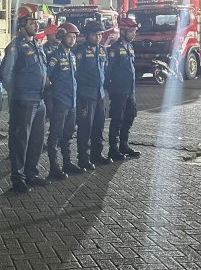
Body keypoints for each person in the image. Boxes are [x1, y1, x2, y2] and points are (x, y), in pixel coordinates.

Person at [0, 5, 49, 193]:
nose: (36, 25)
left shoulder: (36, 44)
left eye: (37, 22)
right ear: (22, 23)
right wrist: (16, 96)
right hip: (24, 100)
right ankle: (18, 178)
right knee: (21, 141)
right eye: (31, 22)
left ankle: (31, 173)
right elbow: (5, 74)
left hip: (39, 100)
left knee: (37, 139)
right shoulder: (15, 46)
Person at [44, 22, 85, 180]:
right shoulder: (55, 56)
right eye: (69, 36)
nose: (73, 39)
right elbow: (47, 78)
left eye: (75, 37)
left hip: (72, 101)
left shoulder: (72, 56)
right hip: (60, 101)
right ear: (62, 37)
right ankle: (54, 168)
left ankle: (67, 162)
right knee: (55, 134)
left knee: (68, 133)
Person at [74, 20, 111, 168]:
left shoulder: (102, 50)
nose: (98, 37)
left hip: (99, 94)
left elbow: (105, 70)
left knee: (98, 126)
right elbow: (75, 73)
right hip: (85, 95)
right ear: (87, 35)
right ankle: (83, 158)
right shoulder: (79, 51)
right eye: (95, 35)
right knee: (85, 128)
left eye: (100, 34)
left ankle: (97, 155)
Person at [105, 17, 142, 160]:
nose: (134, 34)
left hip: (130, 91)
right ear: (123, 31)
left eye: (135, 31)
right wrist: (109, 88)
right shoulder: (114, 49)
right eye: (131, 31)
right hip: (118, 91)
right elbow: (108, 70)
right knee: (117, 119)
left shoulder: (130, 47)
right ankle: (113, 149)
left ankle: (124, 145)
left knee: (129, 117)